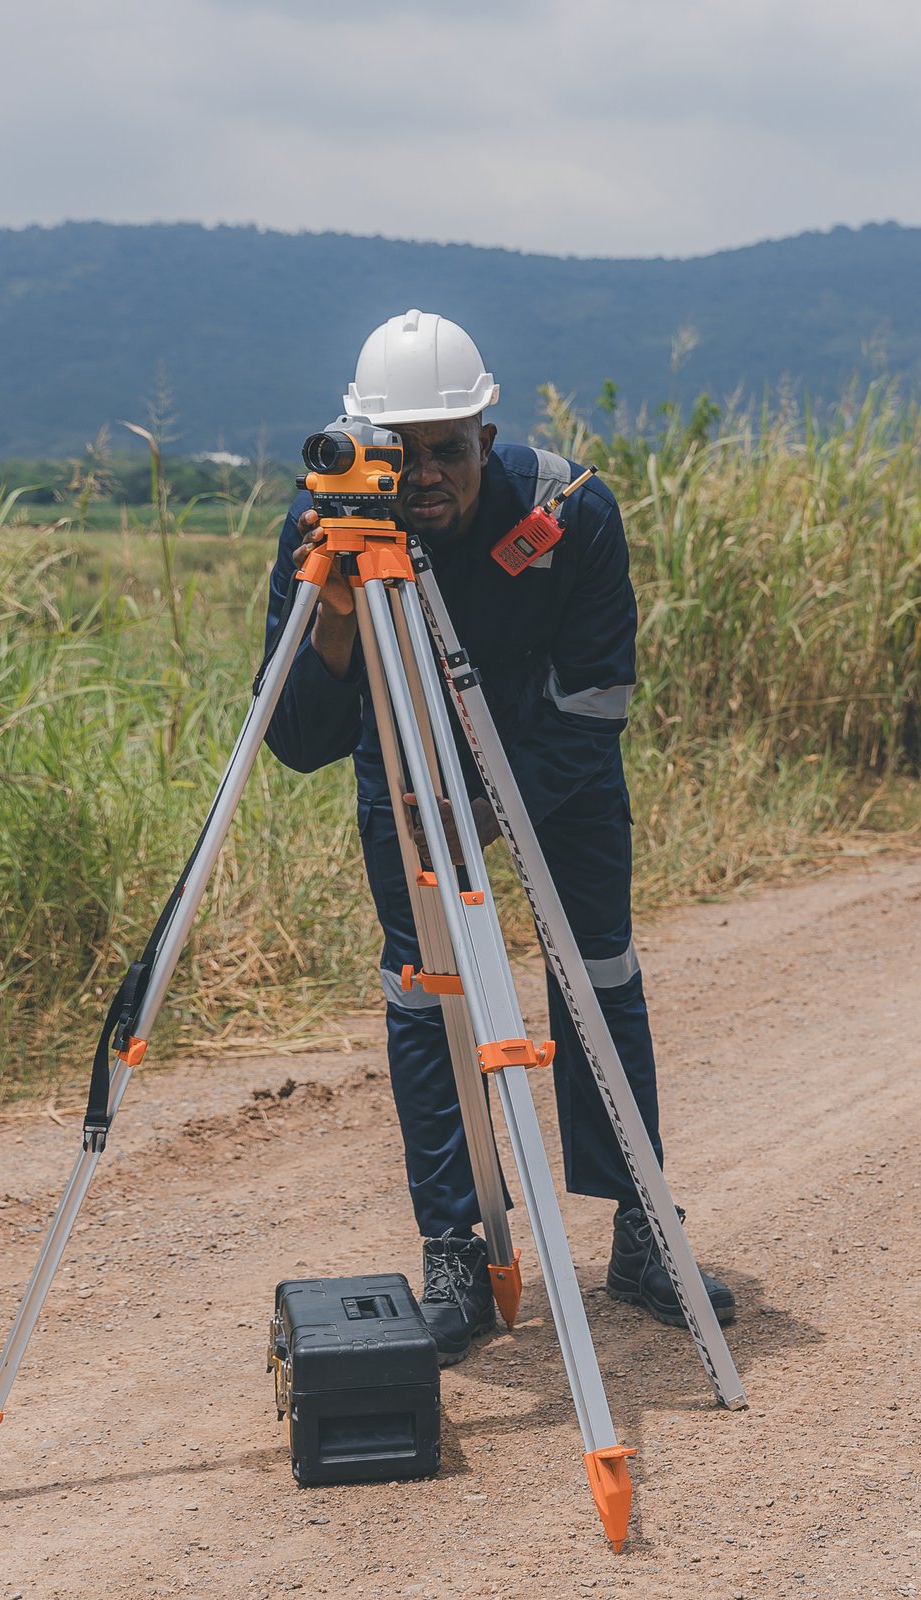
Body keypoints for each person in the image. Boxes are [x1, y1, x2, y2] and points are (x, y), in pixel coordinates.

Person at [260, 309, 733, 1361]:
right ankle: (458, 1248)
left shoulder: (572, 507)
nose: (423, 475)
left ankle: (643, 1230)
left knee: (598, 974)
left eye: (448, 447)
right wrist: (334, 614)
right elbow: (295, 739)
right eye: (401, 450)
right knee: (426, 995)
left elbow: (599, 696)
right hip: (407, 767)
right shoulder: (332, 521)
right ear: (360, 441)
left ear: (487, 429)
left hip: (555, 768)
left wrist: (489, 804)